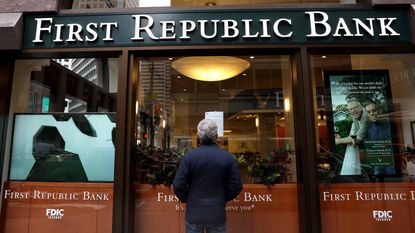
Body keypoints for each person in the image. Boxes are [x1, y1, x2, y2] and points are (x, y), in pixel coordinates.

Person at [173, 119, 242, 233]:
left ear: (199, 136)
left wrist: (188, 199)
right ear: (216, 136)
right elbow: (236, 186)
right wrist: (223, 198)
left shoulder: (190, 156)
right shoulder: (228, 157)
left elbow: (178, 184)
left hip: (194, 214)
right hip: (217, 213)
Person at [335, 99, 368, 175]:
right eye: (350, 109)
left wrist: (337, 141)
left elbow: (357, 139)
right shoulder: (355, 117)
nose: (353, 111)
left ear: (360, 107)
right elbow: (352, 137)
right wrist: (340, 139)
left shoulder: (365, 116)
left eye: (355, 107)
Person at [365, 102, 395, 177]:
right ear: (368, 115)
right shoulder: (368, 128)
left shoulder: (389, 124)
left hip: (390, 162)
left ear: (379, 111)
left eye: (374, 110)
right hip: (377, 163)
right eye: (369, 112)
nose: (372, 113)